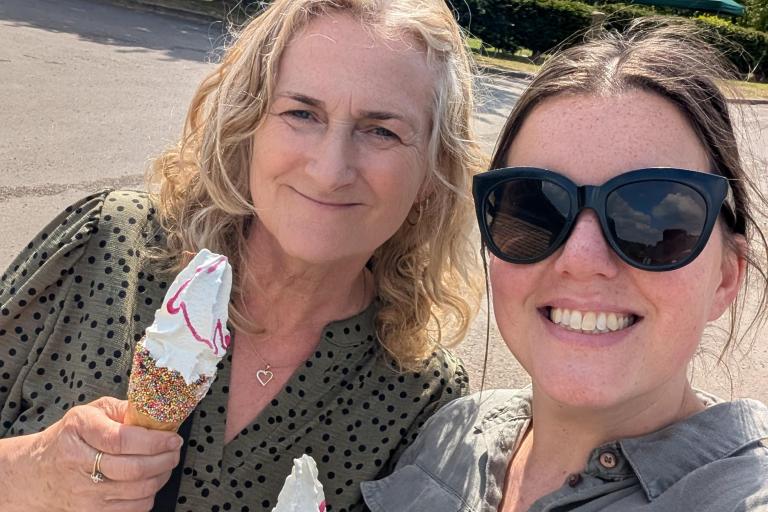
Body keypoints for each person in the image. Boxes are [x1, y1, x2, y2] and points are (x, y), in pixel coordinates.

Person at [0, 0, 483, 510]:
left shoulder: (419, 398)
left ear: (433, 171)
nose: (329, 169)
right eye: (302, 113)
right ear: (248, 122)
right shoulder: (108, 244)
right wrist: (31, 470)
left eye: (381, 130)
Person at [361, 19, 768, 511]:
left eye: (655, 220)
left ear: (727, 277)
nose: (581, 259)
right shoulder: (449, 437)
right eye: (534, 208)